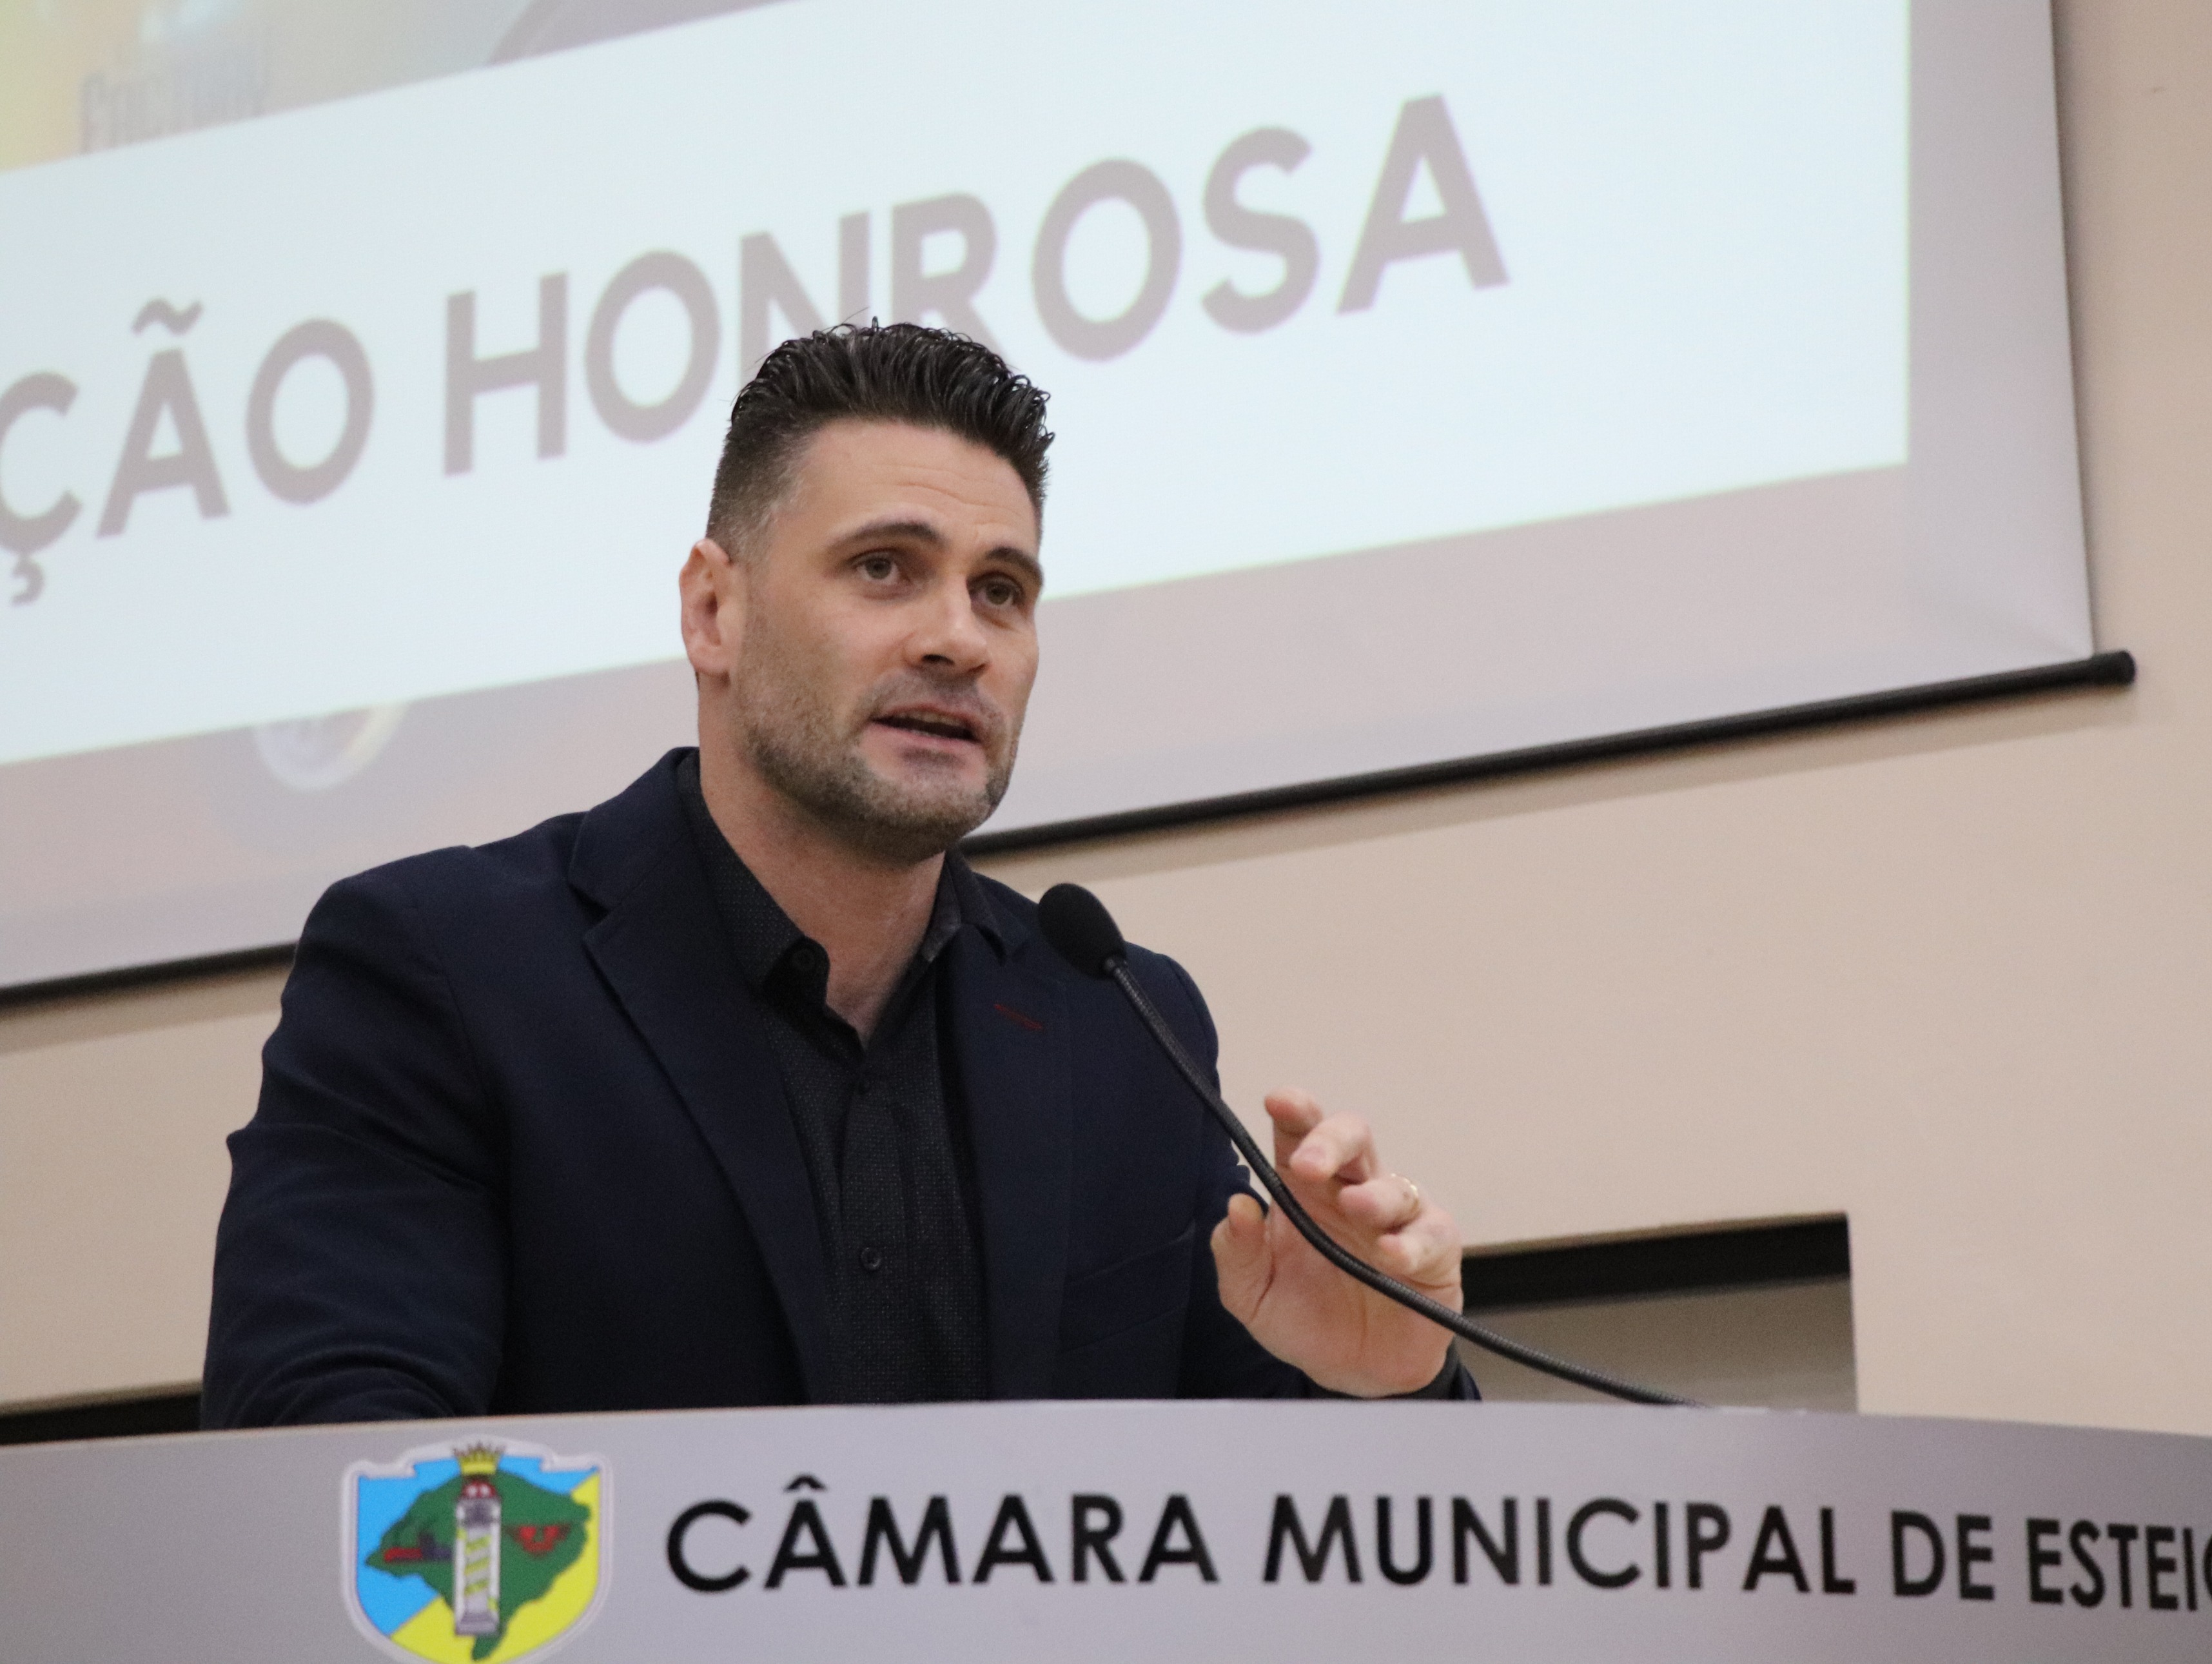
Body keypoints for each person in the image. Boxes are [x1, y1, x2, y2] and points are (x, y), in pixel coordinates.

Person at [202, 324, 1471, 1424]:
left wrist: (1383, 1384)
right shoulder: (446, 974)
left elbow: (1275, 1541)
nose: (957, 639)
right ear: (715, 612)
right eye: (884, 569)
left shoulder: (1119, 1027)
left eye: (1001, 590)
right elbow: (334, 1483)